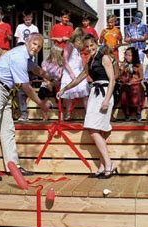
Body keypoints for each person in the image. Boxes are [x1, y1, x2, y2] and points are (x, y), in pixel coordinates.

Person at [0, 33, 51, 181]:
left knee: (8, 130)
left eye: (39, 47)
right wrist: (41, 104)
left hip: (5, 90)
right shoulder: (19, 57)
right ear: (27, 41)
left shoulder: (26, 56)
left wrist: (53, 78)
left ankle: (13, 167)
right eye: (34, 44)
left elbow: (36, 69)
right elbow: (25, 86)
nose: (36, 48)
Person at [57, 35, 117, 179]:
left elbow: (112, 80)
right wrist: (64, 89)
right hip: (94, 94)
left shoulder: (105, 57)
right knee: (96, 130)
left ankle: (109, 164)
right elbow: (79, 78)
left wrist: (107, 100)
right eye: (87, 46)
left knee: (93, 129)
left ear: (97, 44)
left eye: (92, 45)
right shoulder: (90, 60)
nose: (90, 48)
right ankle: (103, 165)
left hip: (104, 93)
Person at [60, 27, 89, 121]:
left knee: (85, 93)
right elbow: (64, 60)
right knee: (69, 94)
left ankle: (88, 113)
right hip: (71, 72)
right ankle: (67, 114)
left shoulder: (77, 48)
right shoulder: (70, 45)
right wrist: (71, 73)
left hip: (78, 72)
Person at [39, 46, 63, 121]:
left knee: (59, 96)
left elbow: (59, 76)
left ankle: (61, 114)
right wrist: (48, 82)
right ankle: (45, 114)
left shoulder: (61, 63)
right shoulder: (45, 62)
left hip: (56, 83)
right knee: (41, 93)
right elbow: (43, 74)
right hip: (46, 82)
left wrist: (52, 83)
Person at [120, 47, 144, 122]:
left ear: (134, 56)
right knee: (124, 91)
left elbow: (141, 77)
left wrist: (134, 81)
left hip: (135, 83)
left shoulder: (138, 65)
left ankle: (138, 112)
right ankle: (127, 114)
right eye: (126, 55)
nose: (127, 57)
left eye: (129, 55)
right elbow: (120, 76)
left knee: (136, 88)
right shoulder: (123, 65)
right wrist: (124, 80)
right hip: (126, 84)